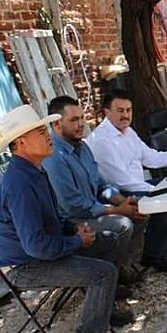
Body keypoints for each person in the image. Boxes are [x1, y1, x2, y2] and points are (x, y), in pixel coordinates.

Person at [0, 105, 131, 333]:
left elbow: (53, 217)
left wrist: (75, 231)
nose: (47, 136)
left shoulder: (35, 171)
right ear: (21, 142)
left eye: (45, 130)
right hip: (27, 266)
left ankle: (102, 311)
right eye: (40, 132)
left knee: (109, 240)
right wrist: (76, 242)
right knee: (103, 274)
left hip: (43, 252)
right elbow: (36, 247)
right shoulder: (20, 184)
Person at [87, 89, 167, 272]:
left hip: (136, 185)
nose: (126, 115)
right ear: (106, 112)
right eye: (120, 110)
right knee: (163, 199)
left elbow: (151, 157)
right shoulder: (102, 141)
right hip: (117, 193)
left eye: (128, 110)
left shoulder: (128, 132)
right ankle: (154, 256)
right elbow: (121, 180)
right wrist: (156, 191)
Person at [42, 96, 146, 294]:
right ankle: (104, 282)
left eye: (82, 118)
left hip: (93, 211)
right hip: (72, 223)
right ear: (56, 124)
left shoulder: (82, 147)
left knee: (140, 210)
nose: (81, 124)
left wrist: (123, 201)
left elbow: (101, 185)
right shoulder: (54, 157)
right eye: (74, 120)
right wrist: (117, 210)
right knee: (122, 225)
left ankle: (117, 268)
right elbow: (72, 205)